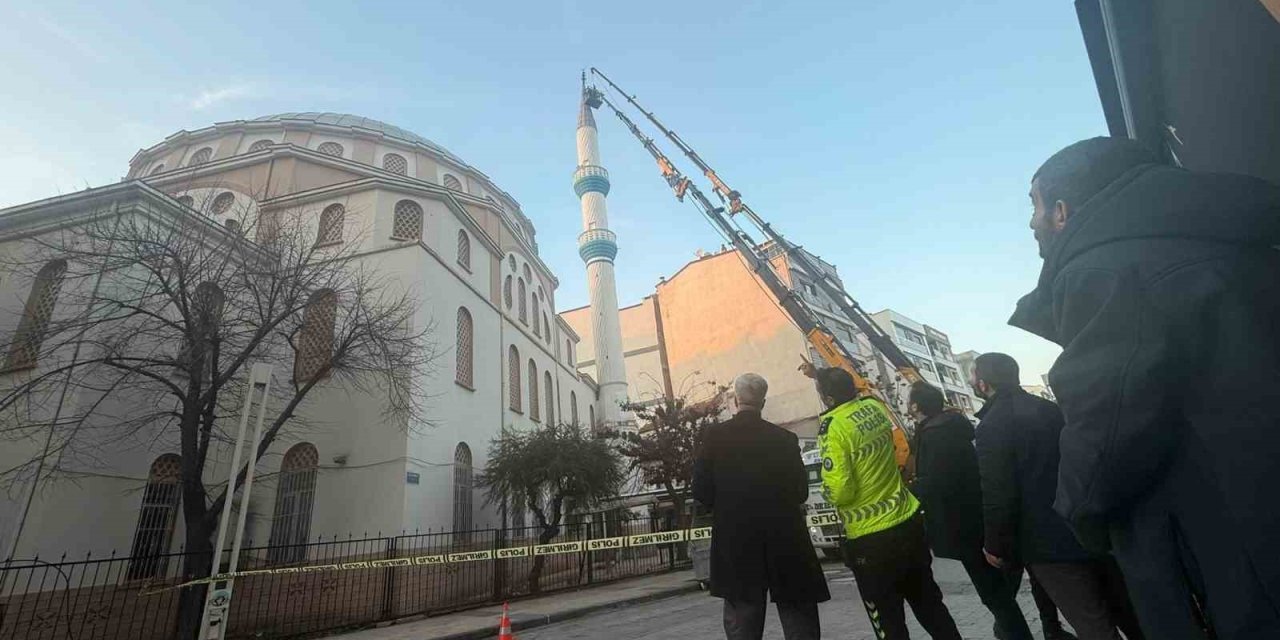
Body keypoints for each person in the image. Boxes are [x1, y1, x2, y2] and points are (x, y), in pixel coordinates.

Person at [1010, 136, 1280, 639]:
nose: (1031, 223)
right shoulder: (1233, 242)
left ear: (1062, 212)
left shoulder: (1104, 270)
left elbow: (1106, 430)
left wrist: (1078, 514)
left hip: (1228, 544)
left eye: (1035, 205)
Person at [972, 352, 1144, 640]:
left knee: (1092, 623)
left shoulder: (991, 427)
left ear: (983, 384)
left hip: (1046, 543)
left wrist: (995, 545)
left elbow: (999, 494)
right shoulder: (1050, 409)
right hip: (1085, 524)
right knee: (1126, 611)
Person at [817, 367, 961, 640]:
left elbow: (841, 491)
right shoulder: (874, 407)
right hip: (907, 522)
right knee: (931, 606)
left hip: (870, 538)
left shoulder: (833, 427)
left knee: (888, 620)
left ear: (829, 398)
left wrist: (827, 491)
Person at [692, 373, 830, 640]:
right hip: (785, 538)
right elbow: (800, 491)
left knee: (742, 619)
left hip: (736, 540)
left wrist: (727, 506)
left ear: (735, 400)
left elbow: (701, 490)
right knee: (798, 613)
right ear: (763, 402)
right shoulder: (785, 439)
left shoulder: (715, 436)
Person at [907, 382, 1033, 640]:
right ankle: (1010, 630)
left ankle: (1014, 633)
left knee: (993, 593)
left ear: (916, 406)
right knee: (997, 589)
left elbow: (939, 481)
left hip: (962, 524)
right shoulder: (950, 426)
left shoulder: (935, 434)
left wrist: (911, 488)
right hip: (975, 517)